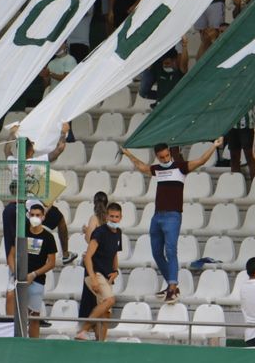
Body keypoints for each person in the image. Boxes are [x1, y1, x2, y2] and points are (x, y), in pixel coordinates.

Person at [119, 139, 222, 300]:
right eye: (162, 157)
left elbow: (201, 160)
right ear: (157, 157)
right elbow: (142, 167)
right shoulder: (158, 169)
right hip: (157, 215)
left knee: (171, 251)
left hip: (173, 215)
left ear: (170, 153)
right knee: (156, 253)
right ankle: (171, 285)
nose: (165, 159)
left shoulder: (180, 167)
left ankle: (173, 288)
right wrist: (128, 154)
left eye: (167, 156)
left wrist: (214, 146)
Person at [10, 200, 58, 338]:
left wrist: (34, 274)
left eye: (38, 215)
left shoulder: (48, 237)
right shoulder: (22, 232)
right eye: (32, 214)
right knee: (18, 314)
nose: (35, 217)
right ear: (28, 215)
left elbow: (51, 262)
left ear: (43, 217)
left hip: (37, 281)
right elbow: (12, 254)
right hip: (20, 279)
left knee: (34, 316)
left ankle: (33, 346)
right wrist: (16, 273)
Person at [79, 200, 123, 341]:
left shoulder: (118, 233)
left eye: (116, 217)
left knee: (106, 314)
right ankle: (84, 329)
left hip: (107, 276)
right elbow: (88, 257)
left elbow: (115, 254)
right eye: (111, 216)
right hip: (95, 273)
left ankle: (101, 344)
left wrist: (116, 271)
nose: (114, 219)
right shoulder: (99, 232)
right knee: (110, 300)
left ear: (120, 217)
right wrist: (93, 279)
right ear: (106, 217)